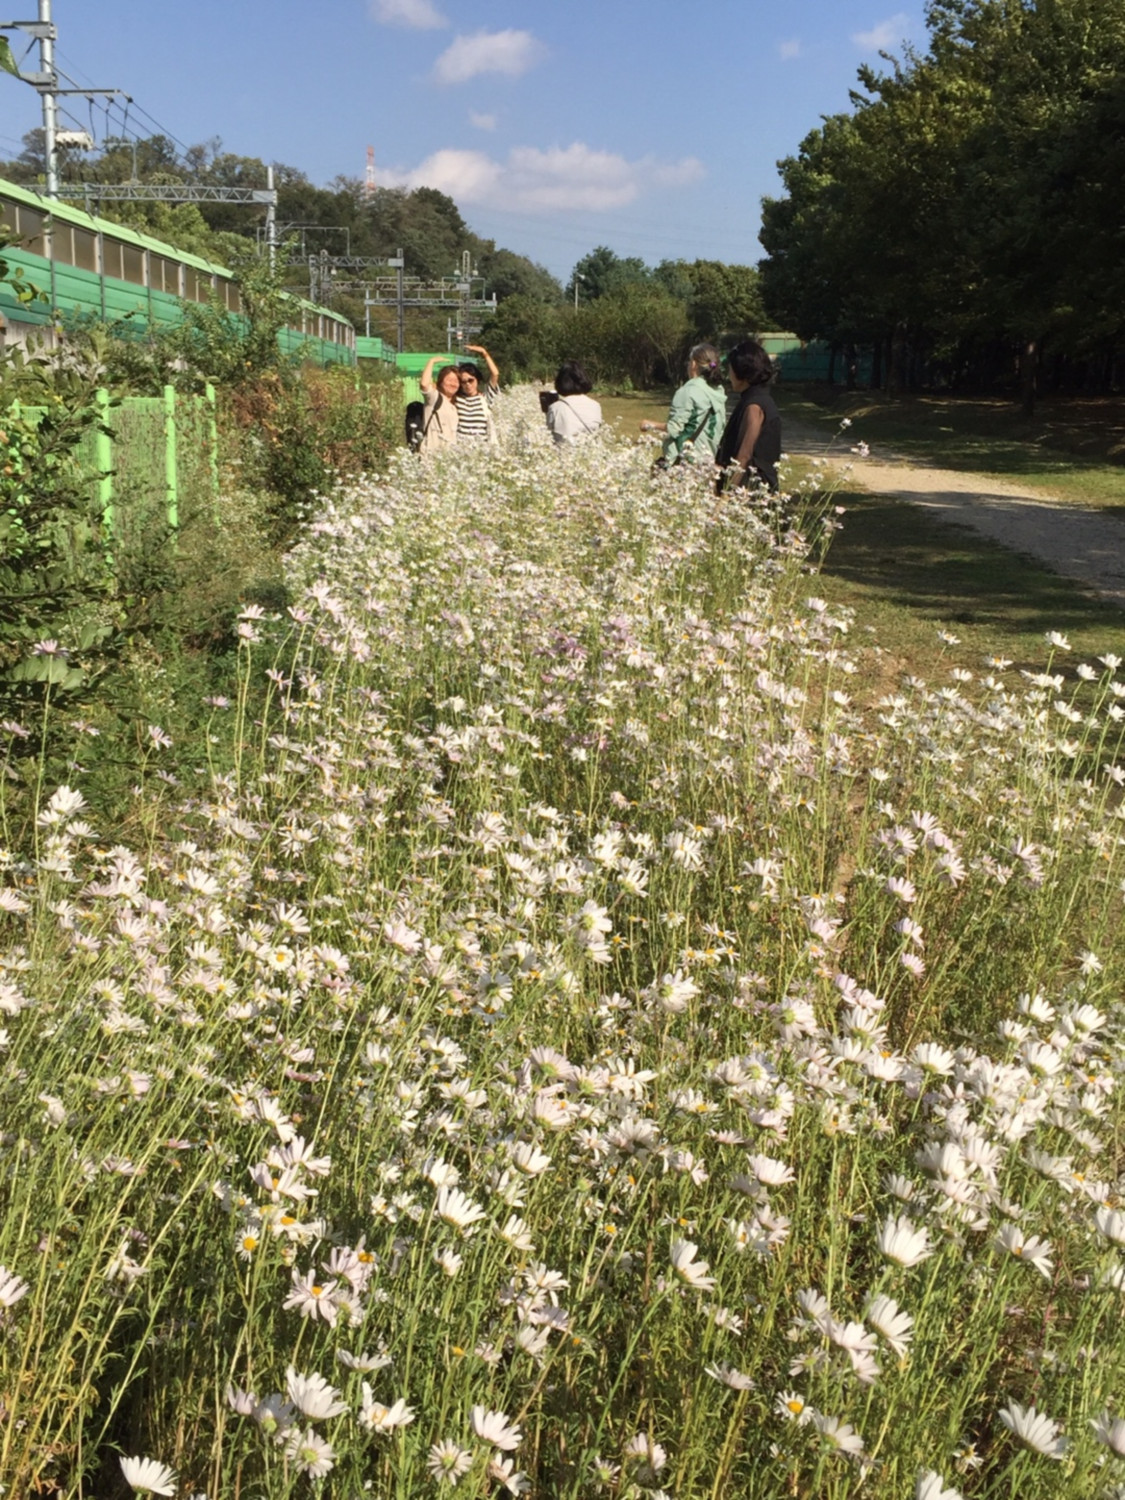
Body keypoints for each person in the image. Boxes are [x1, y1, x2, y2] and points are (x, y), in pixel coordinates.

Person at [640, 343, 727, 465]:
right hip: (708, 463)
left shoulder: (688, 390)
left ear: (693, 364)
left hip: (685, 463)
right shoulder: (718, 391)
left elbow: (673, 429)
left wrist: (650, 424)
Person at [714, 339, 782, 493]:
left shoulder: (754, 406)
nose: (729, 375)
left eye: (730, 369)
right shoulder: (757, 398)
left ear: (742, 373)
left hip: (750, 492)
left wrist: (725, 498)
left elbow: (744, 455)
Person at [545, 361, 602, 444]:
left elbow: (548, 433)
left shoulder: (555, 408)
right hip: (591, 452)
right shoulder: (596, 406)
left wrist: (548, 412)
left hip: (565, 453)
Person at [455, 344, 499, 445]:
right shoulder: (457, 399)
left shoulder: (485, 398)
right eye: (463, 381)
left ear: (477, 380)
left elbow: (495, 374)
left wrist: (484, 353)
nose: (467, 384)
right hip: (460, 451)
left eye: (471, 380)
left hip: (481, 450)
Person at [418, 356, 462, 455]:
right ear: (441, 381)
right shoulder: (434, 398)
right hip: (431, 455)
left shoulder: (457, 403)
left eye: (456, 381)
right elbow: (424, 385)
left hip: (450, 457)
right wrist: (431, 362)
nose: (453, 384)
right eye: (449, 380)